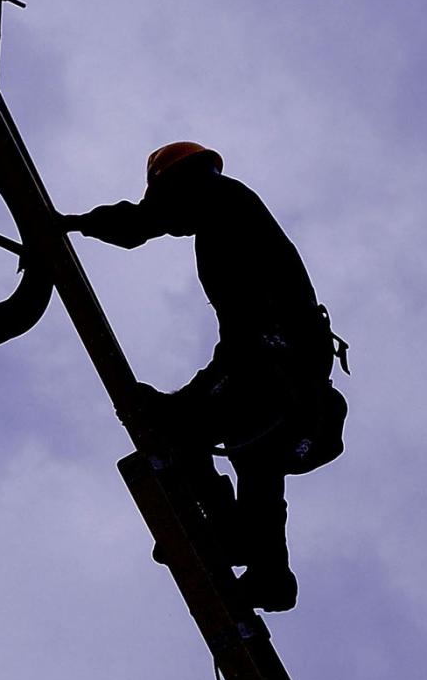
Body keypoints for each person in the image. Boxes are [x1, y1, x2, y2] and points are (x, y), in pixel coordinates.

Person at [61, 142, 348, 612]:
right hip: (286, 362)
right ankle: (269, 572)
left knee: (175, 423)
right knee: (255, 455)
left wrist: (71, 224)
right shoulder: (228, 216)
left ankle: (230, 533)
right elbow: (237, 339)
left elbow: (143, 221)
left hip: (273, 359)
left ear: (175, 180)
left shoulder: (218, 199)